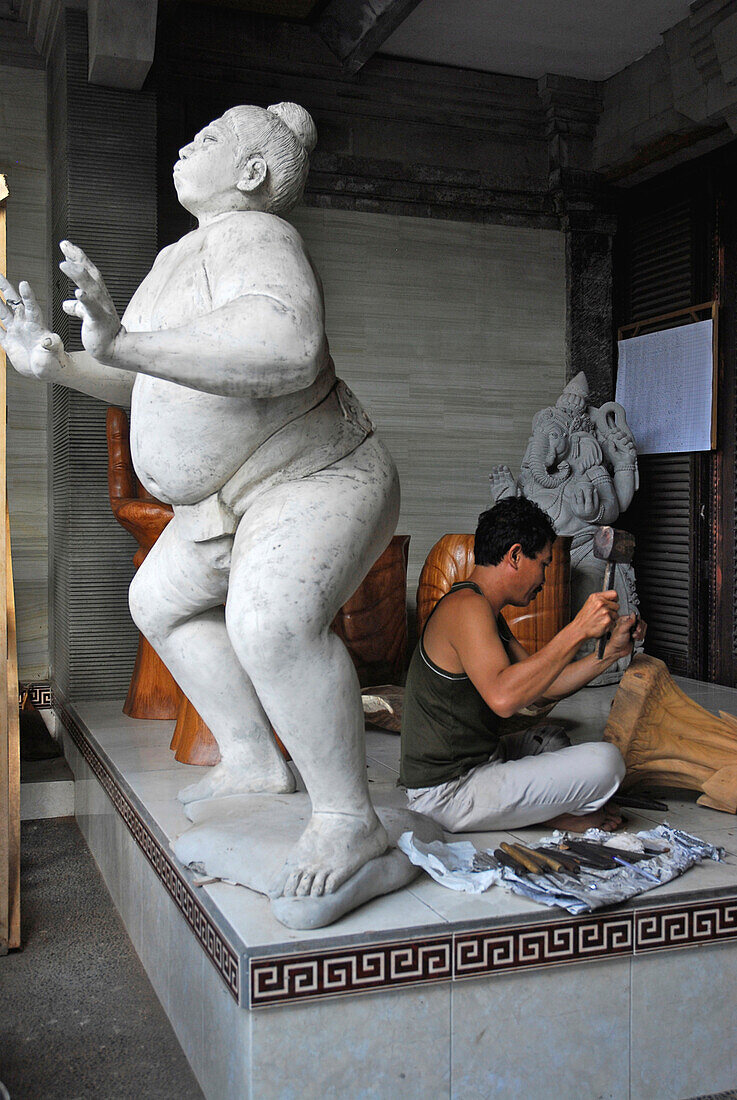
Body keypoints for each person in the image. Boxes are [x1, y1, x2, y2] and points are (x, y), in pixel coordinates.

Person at [0, 102, 400, 900]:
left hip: (314, 473)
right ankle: (252, 757)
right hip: (229, 500)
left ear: (251, 174)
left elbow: (288, 350)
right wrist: (60, 365)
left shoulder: (257, 236)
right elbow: (149, 374)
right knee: (158, 601)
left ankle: (348, 817)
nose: (187, 142)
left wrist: (123, 345)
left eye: (208, 138)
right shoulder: (178, 257)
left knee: (271, 623)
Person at [400, 497, 646, 833]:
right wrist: (577, 629)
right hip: (447, 794)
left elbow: (541, 688)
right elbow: (504, 700)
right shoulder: (465, 608)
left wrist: (610, 653)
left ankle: (541, 810)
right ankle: (554, 815)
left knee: (551, 739)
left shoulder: (483, 609)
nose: (544, 578)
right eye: (543, 564)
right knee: (607, 762)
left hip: (482, 765)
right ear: (515, 555)